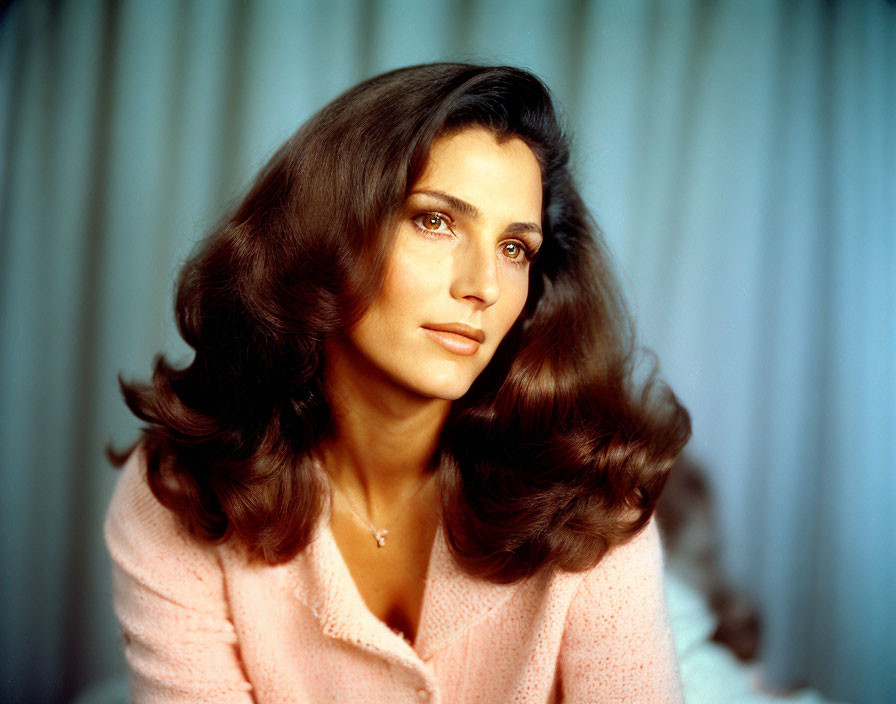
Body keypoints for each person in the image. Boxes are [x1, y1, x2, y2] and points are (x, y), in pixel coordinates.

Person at [104, 62, 692, 703]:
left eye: (515, 247)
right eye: (435, 222)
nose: (484, 286)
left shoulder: (594, 495)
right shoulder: (181, 487)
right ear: (322, 232)